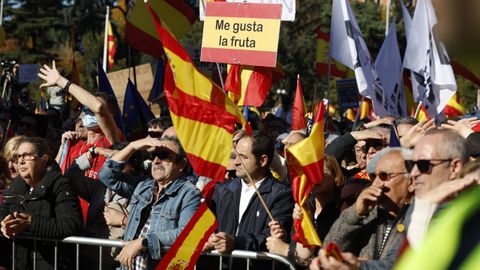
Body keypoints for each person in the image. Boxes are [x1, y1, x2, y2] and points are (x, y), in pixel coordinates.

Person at [98, 136, 201, 269]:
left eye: (164, 155)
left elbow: (186, 233)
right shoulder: (143, 186)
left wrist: (143, 242)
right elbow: (106, 175)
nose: (156, 161)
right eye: (153, 156)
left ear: (181, 164)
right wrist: (132, 146)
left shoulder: (189, 193)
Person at [202, 131, 293, 269]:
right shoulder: (222, 190)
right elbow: (206, 227)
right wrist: (208, 240)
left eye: (243, 157)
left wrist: (236, 242)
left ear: (262, 160)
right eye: (236, 155)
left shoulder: (281, 194)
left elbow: (272, 238)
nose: (236, 162)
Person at [0, 137, 82, 269]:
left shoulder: (60, 185)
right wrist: (4, 222)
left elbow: (71, 224)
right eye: (18, 156)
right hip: (21, 263)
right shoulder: (15, 186)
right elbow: (3, 210)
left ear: (43, 160)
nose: (20, 161)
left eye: (27, 156)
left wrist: (31, 223)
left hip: (53, 263)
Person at [323, 148, 414, 260]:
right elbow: (328, 251)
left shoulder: (422, 219)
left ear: (411, 182)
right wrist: (355, 213)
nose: (376, 184)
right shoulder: (370, 216)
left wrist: (360, 266)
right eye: (373, 177)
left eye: (384, 176)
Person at [266, 155, 344, 268]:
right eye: (310, 172)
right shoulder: (303, 205)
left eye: (321, 172)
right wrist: (283, 236)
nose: (314, 177)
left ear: (336, 177)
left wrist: (286, 250)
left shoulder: (342, 208)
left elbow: (326, 259)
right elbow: (300, 248)